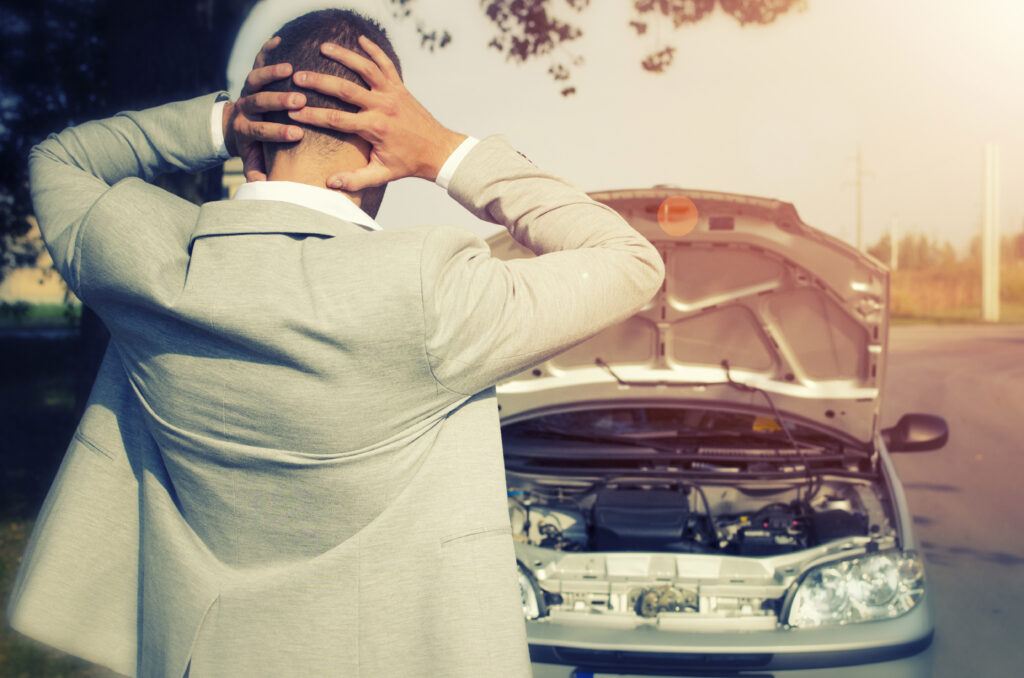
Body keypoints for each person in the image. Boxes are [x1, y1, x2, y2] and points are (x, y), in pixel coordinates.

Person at [7, 9, 664, 678]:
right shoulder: (429, 293)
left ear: (253, 142)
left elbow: (60, 156)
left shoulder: (139, 261)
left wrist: (221, 122)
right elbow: (629, 260)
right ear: (383, 155)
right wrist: (443, 150)